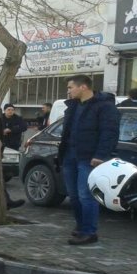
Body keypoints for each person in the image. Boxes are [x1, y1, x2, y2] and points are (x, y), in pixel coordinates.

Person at [57, 75, 119, 245]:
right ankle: (81, 226)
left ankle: (89, 232)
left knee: (86, 195)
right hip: (70, 155)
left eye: (70, 87)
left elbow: (109, 133)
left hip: (89, 157)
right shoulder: (73, 106)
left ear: (83, 87)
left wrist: (100, 155)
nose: (68, 91)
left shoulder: (104, 106)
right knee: (73, 195)